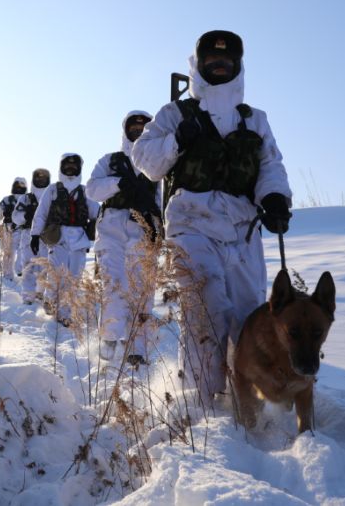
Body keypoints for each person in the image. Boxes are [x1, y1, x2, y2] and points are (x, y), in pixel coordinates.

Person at [131, 30, 292, 404]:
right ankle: (202, 404)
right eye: (212, 60)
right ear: (199, 65)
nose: (220, 65)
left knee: (251, 316)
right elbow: (145, 161)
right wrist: (176, 141)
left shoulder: (255, 120)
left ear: (237, 66)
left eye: (227, 60)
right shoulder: (174, 114)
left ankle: (247, 400)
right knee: (206, 309)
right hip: (192, 223)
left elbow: (271, 165)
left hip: (243, 229)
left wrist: (275, 198)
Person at [85, 111, 162, 367]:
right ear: (126, 130)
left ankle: (136, 350)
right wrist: (119, 184)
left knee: (142, 293)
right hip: (111, 233)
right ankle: (108, 340)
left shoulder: (156, 164)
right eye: (134, 127)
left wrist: (160, 232)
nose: (138, 131)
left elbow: (162, 201)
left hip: (143, 234)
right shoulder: (110, 161)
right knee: (114, 287)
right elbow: (92, 190)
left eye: (143, 127)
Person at [29, 153, 99, 327]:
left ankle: (65, 315)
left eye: (74, 167)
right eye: (67, 166)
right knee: (56, 276)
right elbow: (41, 213)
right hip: (57, 238)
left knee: (73, 279)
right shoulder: (52, 190)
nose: (70, 169)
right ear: (61, 167)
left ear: (79, 169)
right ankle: (51, 302)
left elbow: (97, 214)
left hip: (79, 240)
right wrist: (35, 235)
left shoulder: (85, 192)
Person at [12, 167, 51, 305]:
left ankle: (41, 292)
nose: (41, 180)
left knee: (45, 266)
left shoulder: (52, 196)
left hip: (46, 235)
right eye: (38, 178)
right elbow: (15, 217)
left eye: (43, 178)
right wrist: (25, 216)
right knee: (28, 266)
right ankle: (28, 296)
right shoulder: (26, 198)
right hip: (28, 234)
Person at [0, 177, 27, 280]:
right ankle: (20, 271)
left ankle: (8, 276)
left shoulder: (6, 200)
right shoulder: (27, 199)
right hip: (22, 229)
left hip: (8, 229)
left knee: (8, 254)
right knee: (23, 251)